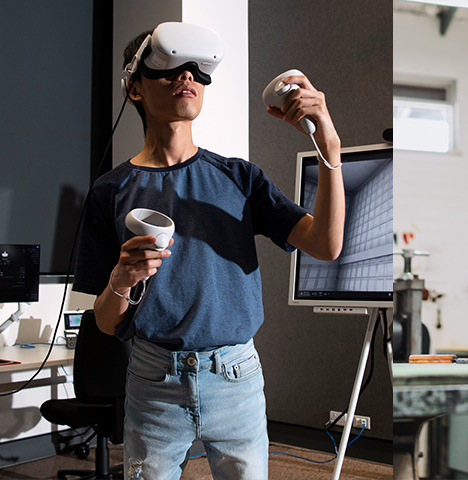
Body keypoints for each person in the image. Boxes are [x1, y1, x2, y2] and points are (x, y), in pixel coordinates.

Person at [76, 24, 344, 479]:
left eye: (198, 72)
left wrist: (329, 145)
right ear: (134, 88)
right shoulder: (109, 191)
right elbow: (105, 321)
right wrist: (122, 281)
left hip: (236, 377)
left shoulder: (239, 177)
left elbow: (326, 244)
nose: (188, 77)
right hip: (153, 378)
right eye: (171, 69)